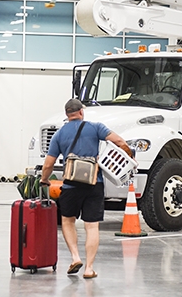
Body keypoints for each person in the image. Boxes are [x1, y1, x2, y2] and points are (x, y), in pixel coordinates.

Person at [41, 98, 132, 279]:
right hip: (94, 183)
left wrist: (45, 180)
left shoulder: (59, 135)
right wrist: (129, 158)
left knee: (68, 221)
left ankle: (75, 257)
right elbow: (120, 142)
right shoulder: (95, 127)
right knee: (91, 226)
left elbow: (48, 164)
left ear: (67, 115)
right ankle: (89, 268)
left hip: (70, 184)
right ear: (81, 112)